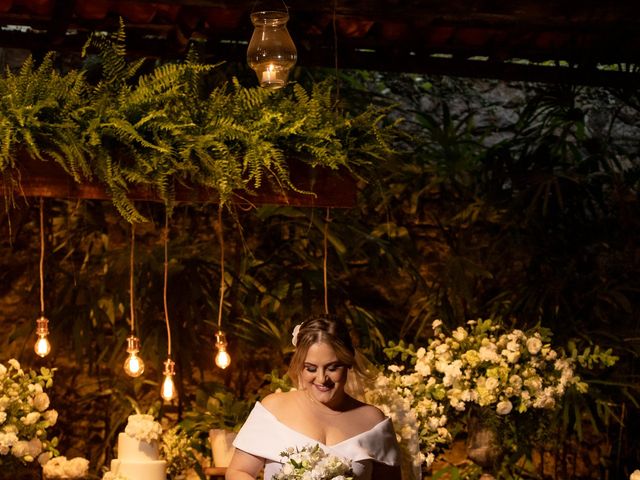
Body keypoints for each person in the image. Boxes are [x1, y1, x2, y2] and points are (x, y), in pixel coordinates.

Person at [225, 315, 402, 480]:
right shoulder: (273, 409)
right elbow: (239, 472)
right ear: (300, 366)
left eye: (332, 368)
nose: (321, 379)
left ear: (348, 363)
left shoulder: (373, 422)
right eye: (311, 368)